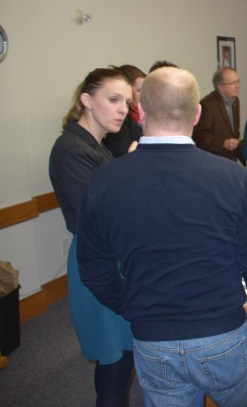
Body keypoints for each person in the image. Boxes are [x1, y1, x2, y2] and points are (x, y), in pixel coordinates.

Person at [76, 67, 247, 407]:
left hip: (152, 342)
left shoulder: (103, 182)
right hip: (223, 333)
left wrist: (133, 306)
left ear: (140, 114)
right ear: (196, 114)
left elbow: (94, 270)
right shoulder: (231, 177)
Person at [48, 67, 135, 407]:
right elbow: (96, 215)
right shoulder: (71, 149)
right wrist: (127, 172)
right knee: (113, 361)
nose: (122, 109)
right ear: (86, 100)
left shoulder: (97, 146)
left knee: (121, 357)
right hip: (96, 261)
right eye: (113, 99)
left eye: (126, 102)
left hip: (115, 257)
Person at [192, 67, 243, 163]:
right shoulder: (208, 104)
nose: (237, 86)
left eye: (238, 81)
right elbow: (198, 135)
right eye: (232, 83)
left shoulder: (236, 101)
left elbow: (234, 131)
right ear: (220, 87)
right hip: (214, 158)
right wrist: (222, 143)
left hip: (231, 156)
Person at [103, 64, 145, 158]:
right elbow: (122, 156)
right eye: (139, 90)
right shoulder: (120, 121)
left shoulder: (138, 117)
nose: (145, 94)